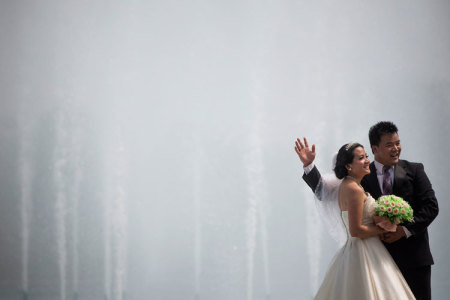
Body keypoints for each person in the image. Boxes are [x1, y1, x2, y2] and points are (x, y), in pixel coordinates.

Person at [295, 121, 438, 300]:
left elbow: (431, 207)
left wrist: (403, 230)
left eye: (398, 143)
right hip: (376, 261)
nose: (396, 148)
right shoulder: (359, 176)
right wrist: (309, 166)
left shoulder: (415, 170)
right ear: (375, 148)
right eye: (389, 145)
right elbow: (326, 191)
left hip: (414, 258)